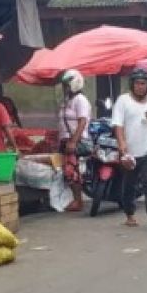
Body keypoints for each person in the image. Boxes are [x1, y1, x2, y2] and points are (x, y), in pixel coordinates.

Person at [112, 68, 147, 230]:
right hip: (130, 152)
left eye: (143, 83)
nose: (140, 86)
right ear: (132, 84)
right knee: (129, 185)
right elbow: (118, 125)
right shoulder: (123, 101)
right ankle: (130, 214)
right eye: (137, 83)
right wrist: (122, 146)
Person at [57, 69, 91, 213]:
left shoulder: (80, 100)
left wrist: (73, 141)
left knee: (72, 171)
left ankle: (78, 201)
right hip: (66, 140)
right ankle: (75, 199)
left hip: (75, 140)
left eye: (67, 84)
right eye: (64, 85)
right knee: (69, 170)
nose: (65, 88)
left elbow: (82, 122)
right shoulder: (68, 100)